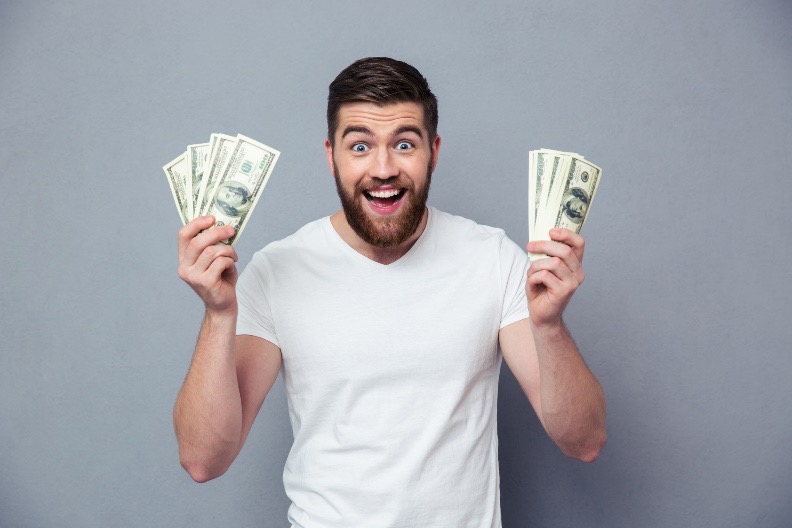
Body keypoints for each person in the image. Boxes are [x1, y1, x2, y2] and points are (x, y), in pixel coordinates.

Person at [173, 57, 606, 527]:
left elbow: (583, 440)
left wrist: (549, 325)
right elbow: (204, 460)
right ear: (331, 156)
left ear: (433, 152)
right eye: (360, 145)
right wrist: (218, 315)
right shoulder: (277, 271)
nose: (383, 168)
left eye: (404, 144)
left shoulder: (493, 260)